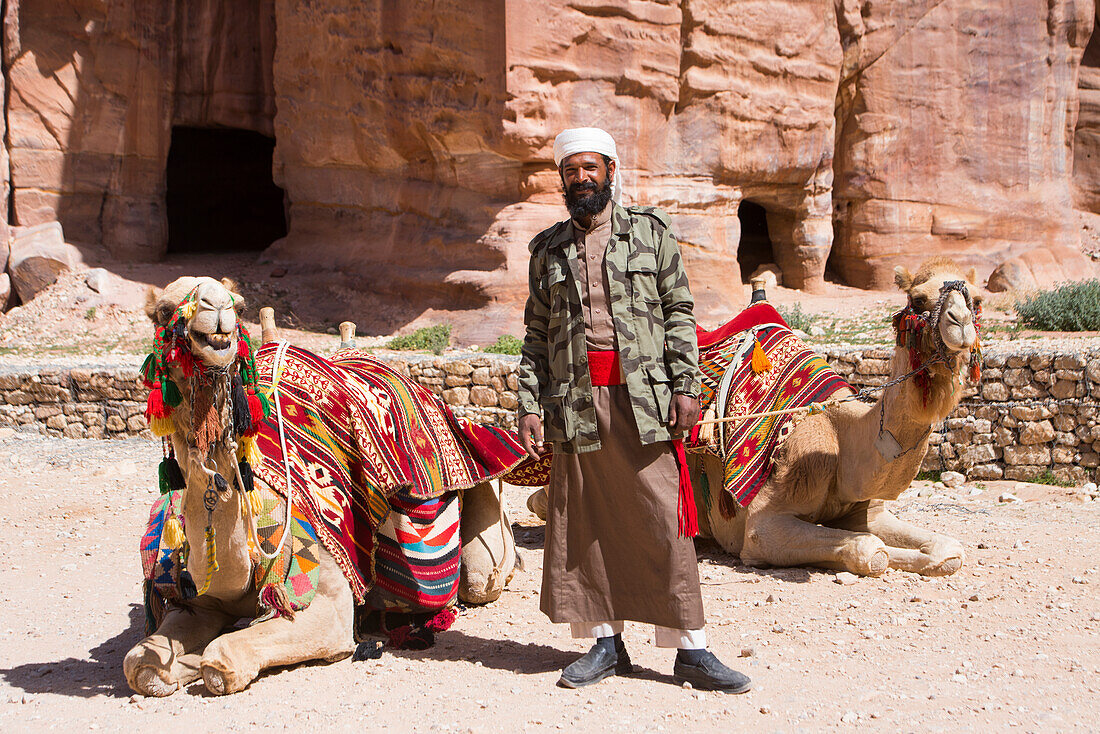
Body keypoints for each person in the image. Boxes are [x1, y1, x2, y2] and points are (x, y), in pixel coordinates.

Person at [516, 127, 751, 693]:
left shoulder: (650, 235)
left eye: (590, 168)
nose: (581, 179)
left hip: (643, 400)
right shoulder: (546, 251)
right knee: (586, 522)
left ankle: (689, 649)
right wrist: (528, 402)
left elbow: (678, 312)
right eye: (571, 171)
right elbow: (535, 335)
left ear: (610, 170)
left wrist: (687, 385)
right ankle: (605, 643)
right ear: (562, 180)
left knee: (662, 515)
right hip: (574, 404)